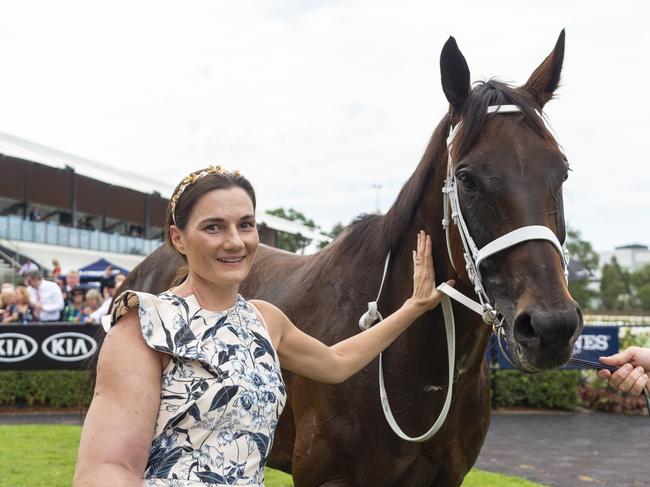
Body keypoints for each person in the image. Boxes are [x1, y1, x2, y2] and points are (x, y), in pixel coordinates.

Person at [74, 166, 453, 486]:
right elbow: (108, 468)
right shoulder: (144, 325)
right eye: (214, 227)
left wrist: (413, 308)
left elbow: (337, 361)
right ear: (178, 238)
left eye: (246, 224)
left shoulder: (264, 320)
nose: (235, 241)